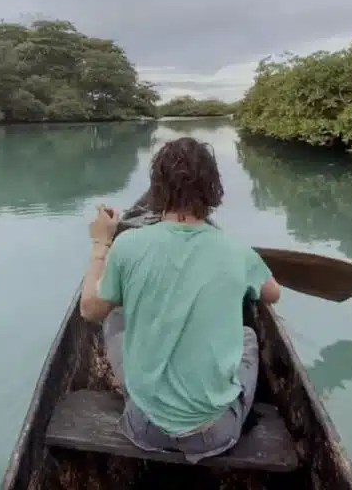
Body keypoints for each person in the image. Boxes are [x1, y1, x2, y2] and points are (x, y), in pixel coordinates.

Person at [78, 136, 282, 463]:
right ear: (213, 189)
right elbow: (273, 294)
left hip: (144, 428)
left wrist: (101, 243)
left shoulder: (127, 246)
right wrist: (246, 271)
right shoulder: (238, 251)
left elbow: (88, 309)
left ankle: (136, 388)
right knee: (247, 335)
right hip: (216, 433)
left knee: (114, 316)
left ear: (158, 190)